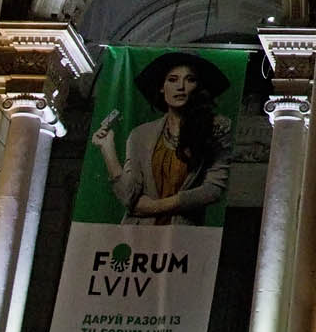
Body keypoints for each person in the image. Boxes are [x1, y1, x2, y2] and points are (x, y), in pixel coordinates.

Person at [90, 52, 234, 226]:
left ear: (198, 87)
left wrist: (155, 206)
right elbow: (129, 196)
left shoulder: (216, 128)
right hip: (135, 237)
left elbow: (213, 189)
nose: (180, 86)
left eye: (190, 80)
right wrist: (108, 150)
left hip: (182, 239)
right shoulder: (140, 135)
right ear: (161, 86)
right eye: (172, 80)